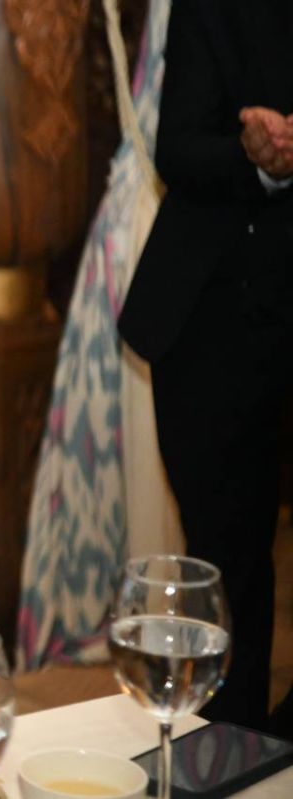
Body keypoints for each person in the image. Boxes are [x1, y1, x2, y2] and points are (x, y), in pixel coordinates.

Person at [118, 0, 293, 733]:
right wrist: (258, 158)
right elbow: (178, 148)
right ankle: (226, 744)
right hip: (213, 322)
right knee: (228, 560)